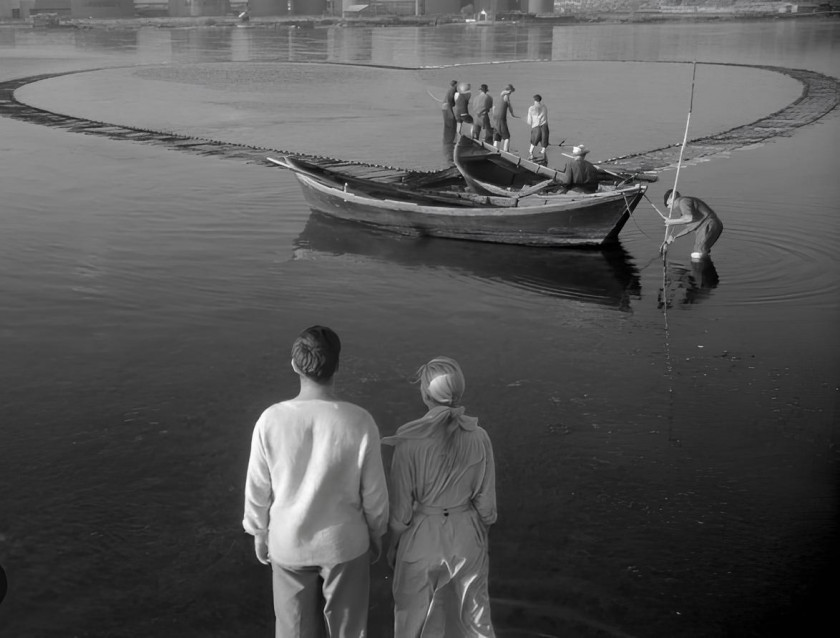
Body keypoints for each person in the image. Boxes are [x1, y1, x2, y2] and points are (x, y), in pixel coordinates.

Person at [243, 325, 389, 638]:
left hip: (289, 543)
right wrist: (377, 533)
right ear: (337, 366)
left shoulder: (270, 419)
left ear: (294, 364)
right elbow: (375, 495)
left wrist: (259, 531)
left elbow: (257, 489)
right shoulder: (360, 421)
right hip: (346, 545)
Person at [383, 356, 497, 638]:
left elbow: (401, 511)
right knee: (475, 621)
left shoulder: (409, 440)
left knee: (411, 620)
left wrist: (392, 545)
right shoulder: (480, 436)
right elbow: (487, 505)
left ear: (425, 394)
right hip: (467, 533)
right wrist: (481, 535)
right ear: (460, 391)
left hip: (421, 536)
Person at [659, 189, 724, 260]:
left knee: (697, 253)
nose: (671, 208)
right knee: (702, 250)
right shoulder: (685, 204)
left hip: (708, 224)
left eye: (669, 205)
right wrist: (672, 237)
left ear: (671, 199)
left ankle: (698, 268)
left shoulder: (683, 202)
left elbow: (688, 218)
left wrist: (671, 222)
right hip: (710, 225)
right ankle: (705, 265)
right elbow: (689, 226)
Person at [492, 84, 517, 152]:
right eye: (511, 92)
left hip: (495, 118)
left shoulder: (497, 97)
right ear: (509, 91)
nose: (511, 93)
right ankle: (505, 151)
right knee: (507, 137)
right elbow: (509, 106)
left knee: (497, 134)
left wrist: (494, 117)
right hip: (501, 118)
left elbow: (494, 108)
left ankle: (494, 149)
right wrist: (512, 114)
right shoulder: (506, 96)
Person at [526, 94, 549, 160]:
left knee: (533, 142)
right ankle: (543, 152)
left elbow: (529, 122)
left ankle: (531, 154)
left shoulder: (531, 108)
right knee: (544, 142)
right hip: (544, 127)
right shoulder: (544, 107)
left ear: (534, 100)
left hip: (536, 128)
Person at [442, 79, 459, 144]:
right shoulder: (453, 90)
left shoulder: (451, 90)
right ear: (455, 85)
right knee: (452, 122)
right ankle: (450, 140)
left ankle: (447, 139)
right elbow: (449, 100)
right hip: (447, 107)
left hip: (444, 107)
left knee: (448, 124)